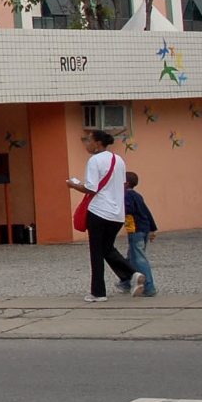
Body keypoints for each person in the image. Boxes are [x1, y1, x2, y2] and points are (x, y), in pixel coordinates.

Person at [67, 128, 135, 301]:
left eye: (88, 140)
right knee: (107, 248)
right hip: (117, 213)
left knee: (96, 252)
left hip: (98, 211)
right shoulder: (119, 160)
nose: (86, 144)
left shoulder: (94, 160)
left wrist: (74, 185)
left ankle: (98, 292)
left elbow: (91, 187)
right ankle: (131, 274)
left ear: (98, 143)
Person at [123, 171, 158, 297]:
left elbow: (128, 209)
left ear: (125, 183)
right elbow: (146, 212)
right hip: (144, 229)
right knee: (131, 256)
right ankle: (126, 282)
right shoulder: (138, 195)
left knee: (139, 258)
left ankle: (149, 287)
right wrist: (152, 228)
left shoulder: (126, 195)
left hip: (136, 229)